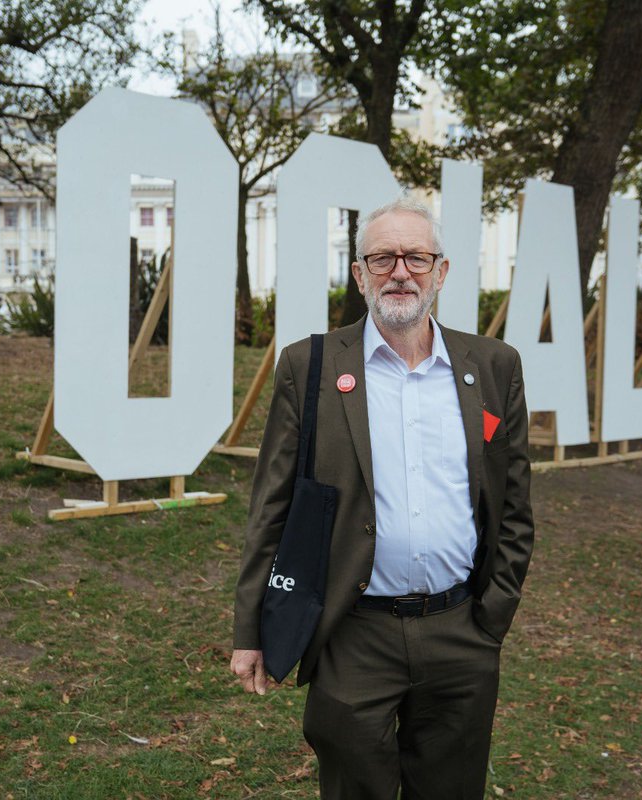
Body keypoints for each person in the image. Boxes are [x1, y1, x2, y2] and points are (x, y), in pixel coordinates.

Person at [230, 197, 534, 799]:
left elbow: (515, 505)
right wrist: (251, 628)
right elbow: (273, 505)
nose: (401, 271)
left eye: (417, 257)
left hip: (461, 632)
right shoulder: (309, 367)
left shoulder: (494, 366)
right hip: (353, 634)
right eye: (383, 257)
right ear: (359, 273)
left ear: (441, 271)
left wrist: (492, 615)